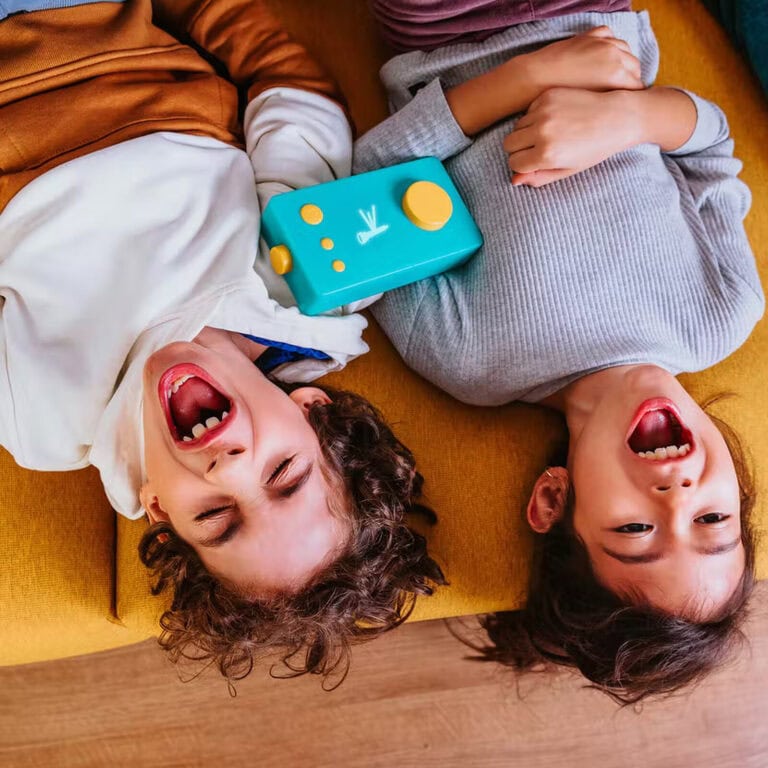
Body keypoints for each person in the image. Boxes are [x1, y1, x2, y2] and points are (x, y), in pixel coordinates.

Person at [0, 0, 444, 684]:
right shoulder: (309, 290)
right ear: (312, 413)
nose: (230, 466)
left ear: (158, 507)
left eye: (214, 516)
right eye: (282, 474)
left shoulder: (45, 424)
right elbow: (291, 94)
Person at [356, 1, 764, 701]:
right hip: (592, 16)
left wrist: (527, 79)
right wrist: (632, 118)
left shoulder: (468, 359)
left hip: (448, 31)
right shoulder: (723, 312)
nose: (677, 495)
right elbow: (710, 144)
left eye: (634, 528)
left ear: (553, 499)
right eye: (712, 520)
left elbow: (372, 182)